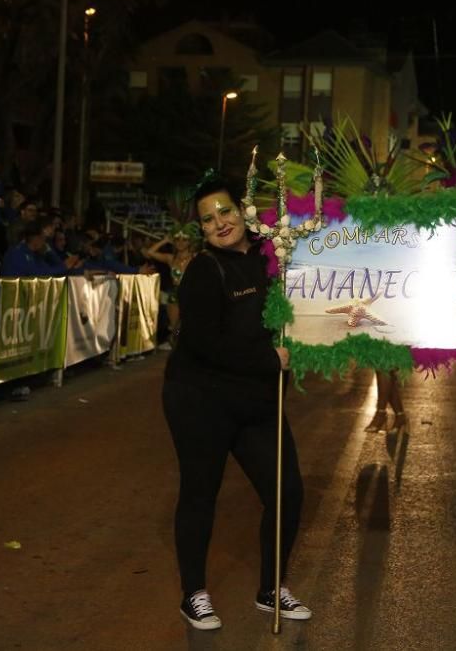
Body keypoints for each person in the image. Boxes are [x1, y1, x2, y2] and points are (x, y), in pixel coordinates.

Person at [162, 176, 310, 630]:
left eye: (224, 211)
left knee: (287, 493)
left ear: (242, 210)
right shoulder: (204, 271)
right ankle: (194, 594)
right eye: (207, 219)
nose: (219, 223)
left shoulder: (273, 257)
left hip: (255, 399)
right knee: (200, 494)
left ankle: (271, 589)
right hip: (200, 400)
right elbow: (207, 344)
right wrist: (270, 359)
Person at [144, 225, 200, 345]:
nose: (180, 242)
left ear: (190, 242)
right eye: (177, 239)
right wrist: (165, 240)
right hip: (175, 295)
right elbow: (150, 252)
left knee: (190, 327)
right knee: (175, 328)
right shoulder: (170, 258)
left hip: (191, 295)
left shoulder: (196, 257)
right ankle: (177, 349)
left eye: (184, 239)